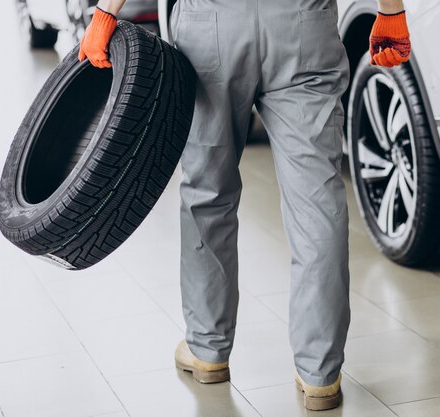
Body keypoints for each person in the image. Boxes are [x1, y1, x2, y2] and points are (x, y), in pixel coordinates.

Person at [79, 0, 410, 411]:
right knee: (317, 203)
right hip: (303, 27)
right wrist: (391, 10)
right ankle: (319, 372)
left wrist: (106, 11)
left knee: (207, 192)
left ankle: (207, 348)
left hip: (212, 26)